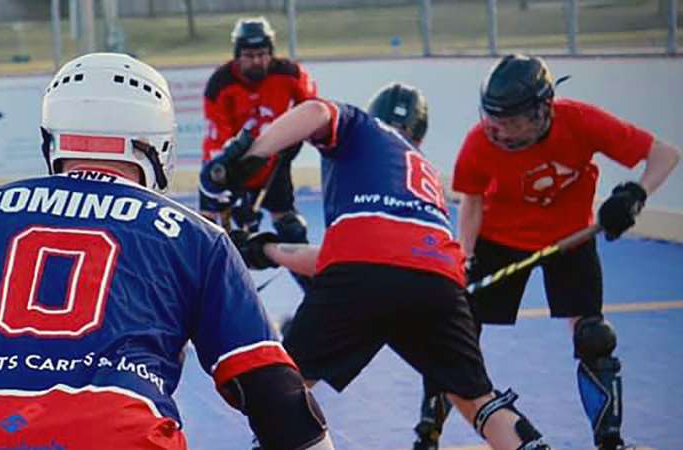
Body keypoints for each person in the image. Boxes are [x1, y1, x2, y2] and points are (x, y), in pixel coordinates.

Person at [0, 53, 332, 450]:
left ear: (54, 138)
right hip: (120, 432)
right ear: (160, 144)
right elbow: (277, 397)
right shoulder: (194, 236)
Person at [207, 83, 553, 450]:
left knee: (280, 385)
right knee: (477, 398)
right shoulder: (423, 171)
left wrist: (248, 160)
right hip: (437, 282)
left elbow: (314, 112)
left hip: (362, 276)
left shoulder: (363, 128)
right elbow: (360, 256)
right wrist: (270, 250)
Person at [411, 54, 681, 450]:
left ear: (543, 110)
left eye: (512, 121)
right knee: (455, 335)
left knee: (593, 337)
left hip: (569, 239)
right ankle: (427, 436)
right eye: (493, 119)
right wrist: (464, 259)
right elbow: (471, 203)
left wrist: (634, 195)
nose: (499, 131)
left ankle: (610, 441)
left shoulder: (581, 122)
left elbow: (664, 154)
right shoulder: (479, 142)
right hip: (499, 240)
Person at [198, 17, 319, 292]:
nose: (257, 62)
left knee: (291, 229)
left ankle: (314, 295)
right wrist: (232, 190)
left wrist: (295, 138)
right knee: (212, 238)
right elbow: (219, 144)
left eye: (262, 54)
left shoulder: (290, 74)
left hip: (274, 165)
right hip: (230, 171)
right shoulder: (220, 84)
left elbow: (313, 109)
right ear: (237, 56)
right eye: (249, 56)